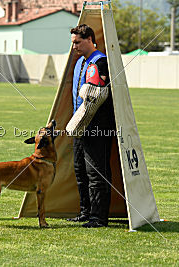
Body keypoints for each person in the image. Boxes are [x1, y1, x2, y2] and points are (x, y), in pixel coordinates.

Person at [67, 24, 116, 228]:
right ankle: (85, 212)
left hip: (97, 127)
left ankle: (99, 217)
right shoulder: (80, 62)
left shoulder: (101, 62)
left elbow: (99, 95)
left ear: (89, 40)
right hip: (80, 126)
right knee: (80, 171)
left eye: (77, 42)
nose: (74, 47)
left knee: (97, 173)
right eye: (72, 43)